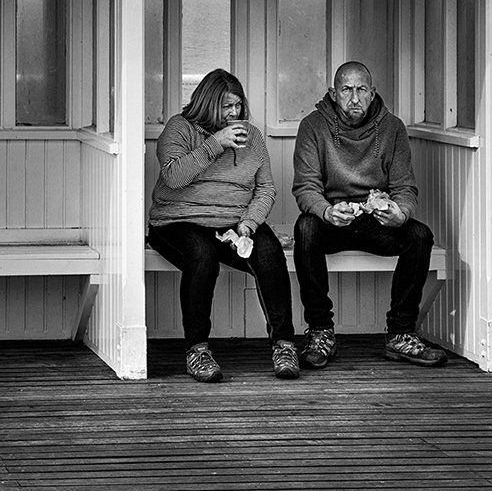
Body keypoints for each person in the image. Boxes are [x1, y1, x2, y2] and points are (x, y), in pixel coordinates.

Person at [290, 61, 447, 368]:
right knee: (305, 228)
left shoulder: (392, 128)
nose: (355, 98)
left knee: (420, 235)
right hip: (333, 219)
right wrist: (326, 211)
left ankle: (401, 333)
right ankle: (321, 331)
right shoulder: (313, 126)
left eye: (362, 90)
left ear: (373, 93)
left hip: (376, 221)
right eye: (347, 90)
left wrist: (399, 214)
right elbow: (305, 187)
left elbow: (405, 186)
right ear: (334, 94)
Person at [149, 69, 301, 382]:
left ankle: (284, 344)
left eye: (238, 107)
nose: (234, 114)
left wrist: (249, 222)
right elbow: (174, 177)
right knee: (202, 258)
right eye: (226, 107)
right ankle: (197, 350)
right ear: (207, 104)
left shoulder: (252, 136)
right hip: (178, 219)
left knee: (270, 253)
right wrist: (216, 142)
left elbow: (266, 188)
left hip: (233, 221)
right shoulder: (180, 128)